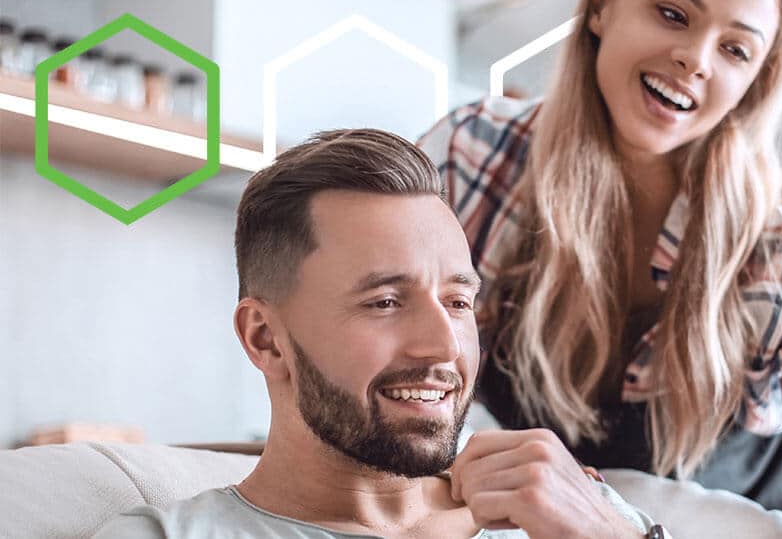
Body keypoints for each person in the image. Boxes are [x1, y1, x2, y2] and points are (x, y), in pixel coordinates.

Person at [418, 0, 782, 537]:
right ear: (602, 6)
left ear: (754, 83)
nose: (693, 59)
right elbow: (393, 355)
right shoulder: (475, 152)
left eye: (734, 50)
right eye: (674, 14)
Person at [93, 129, 663, 539]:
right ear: (266, 338)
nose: (443, 347)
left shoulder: (572, 514)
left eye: (458, 301)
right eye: (386, 302)